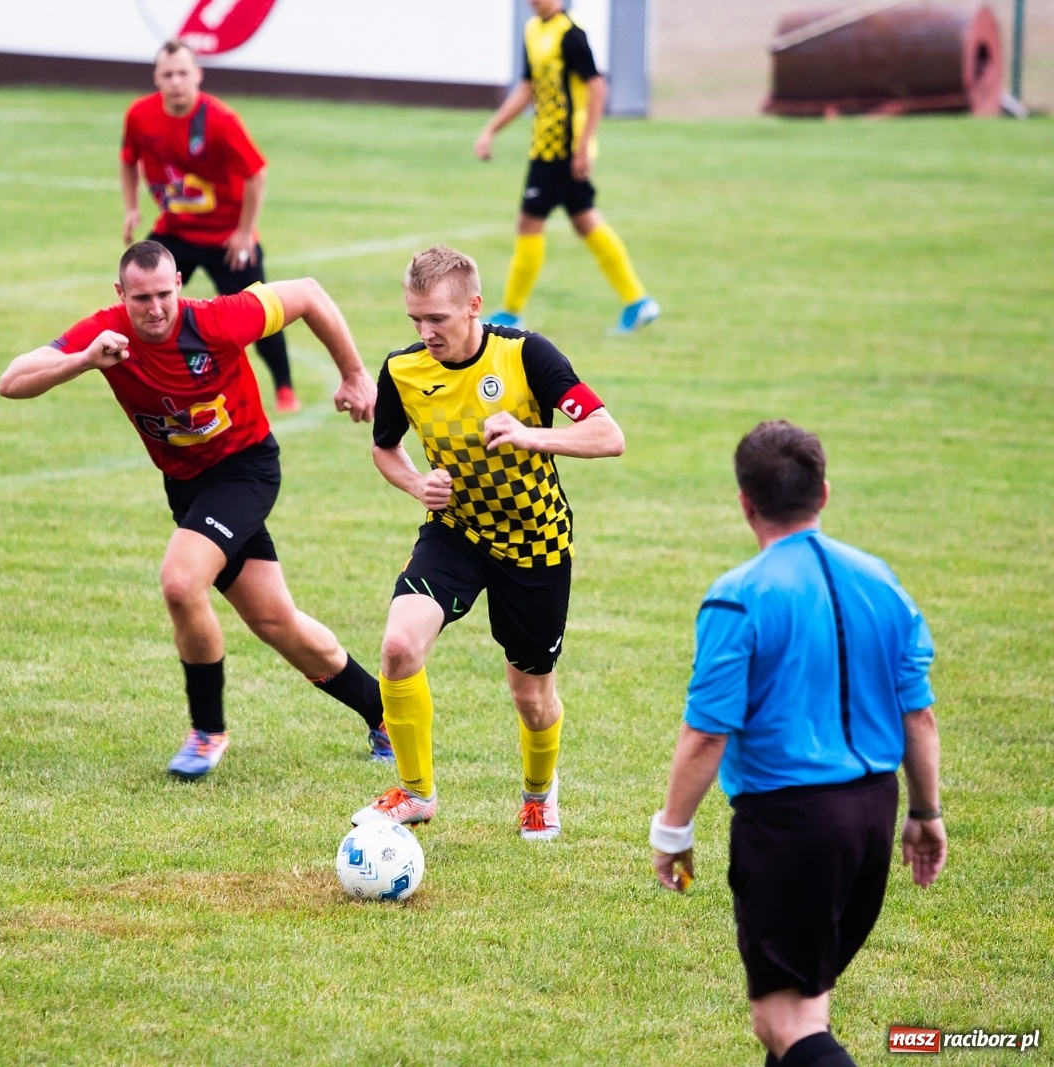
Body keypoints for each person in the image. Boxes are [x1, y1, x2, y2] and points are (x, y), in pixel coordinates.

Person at [0, 240, 390, 779]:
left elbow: (309, 295)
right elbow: (10, 382)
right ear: (121, 294)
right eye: (141, 299)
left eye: (163, 294)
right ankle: (385, 713)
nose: (154, 309)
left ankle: (207, 732)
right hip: (189, 488)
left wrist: (354, 374)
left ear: (179, 284)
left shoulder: (218, 320)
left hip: (245, 472)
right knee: (276, 621)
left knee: (181, 582)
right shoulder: (105, 331)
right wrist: (84, 360)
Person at [649, 421, 945, 1067]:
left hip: (793, 822)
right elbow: (917, 715)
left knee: (787, 1020)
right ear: (824, 493)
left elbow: (707, 731)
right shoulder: (881, 578)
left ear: (745, 502)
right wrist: (926, 814)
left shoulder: (738, 597)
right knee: (807, 1007)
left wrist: (672, 828)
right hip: (874, 809)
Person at [351, 245, 623, 835]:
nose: (425, 333)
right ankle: (415, 791)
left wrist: (531, 435)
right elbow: (384, 446)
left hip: (534, 543)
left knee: (531, 695)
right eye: (415, 320)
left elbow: (608, 435)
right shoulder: (403, 369)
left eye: (438, 320)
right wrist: (416, 483)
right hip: (457, 532)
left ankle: (537, 794)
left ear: (474, 306)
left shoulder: (527, 355)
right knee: (399, 648)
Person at [121, 40, 301, 412]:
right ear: (156, 77)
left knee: (263, 312)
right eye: (168, 74)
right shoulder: (139, 115)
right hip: (174, 232)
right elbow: (128, 160)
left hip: (226, 238)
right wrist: (131, 208)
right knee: (138, 298)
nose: (176, 82)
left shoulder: (220, 120)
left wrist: (243, 232)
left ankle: (285, 389)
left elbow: (256, 174)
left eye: (183, 73)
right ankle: (132, 374)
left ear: (198, 75)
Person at [473, 0, 659, 334]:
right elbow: (527, 89)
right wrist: (492, 128)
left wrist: (584, 146)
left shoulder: (571, 35)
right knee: (586, 221)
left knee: (529, 223)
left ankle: (512, 313)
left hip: (562, 150)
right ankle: (637, 301)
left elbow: (598, 87)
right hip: (545, 145)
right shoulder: (532, 30)